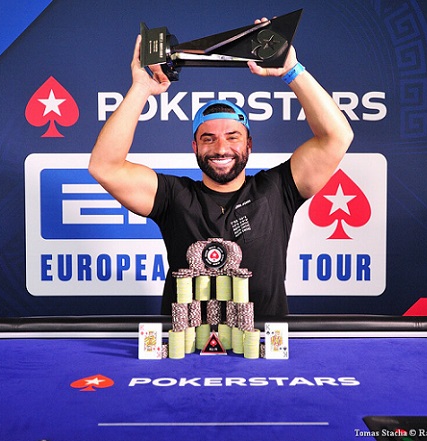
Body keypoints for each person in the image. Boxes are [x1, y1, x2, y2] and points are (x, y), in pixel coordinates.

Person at [89, 18, 353, 317]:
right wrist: (140, 88)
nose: (221, 148)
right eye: (208, 138)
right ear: (195, 146)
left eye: (233, 137)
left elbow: (337, 137)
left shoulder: (277, 190)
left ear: (249, 144)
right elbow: (105, 167)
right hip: (185, 342)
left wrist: (292, 70)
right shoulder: (174, 197)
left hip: (261, 342)